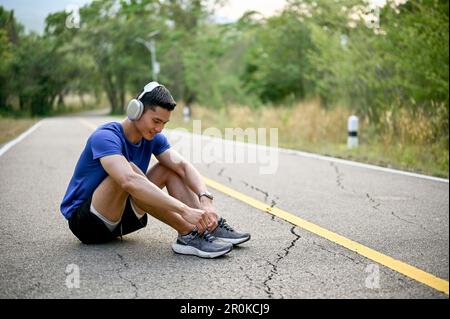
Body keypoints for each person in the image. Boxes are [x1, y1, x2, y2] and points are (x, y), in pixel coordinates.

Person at [60, 81, 250, 258]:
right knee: (131, 171)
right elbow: (128, 180)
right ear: (136, 111)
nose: (159, 129)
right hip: (87, 223)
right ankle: (188, 233)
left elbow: (183, 167)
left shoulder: (152, 138)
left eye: (164, 124)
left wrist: (205, 200)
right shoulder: (105, 137)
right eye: (156, 121)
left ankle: (207, 226)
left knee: (169, 168)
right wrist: (184, 210)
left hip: (122, 219)